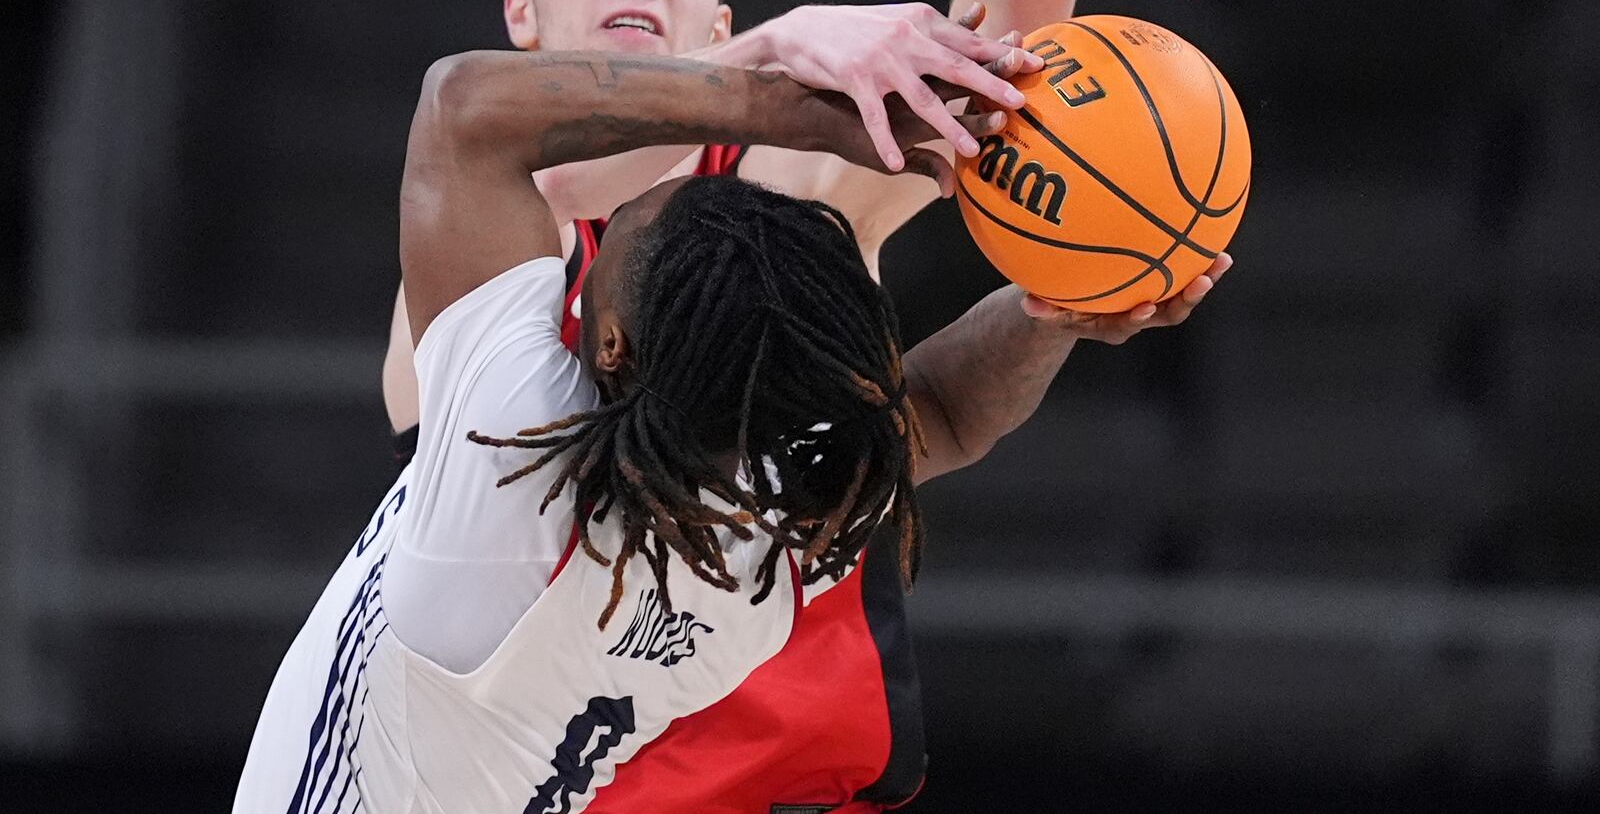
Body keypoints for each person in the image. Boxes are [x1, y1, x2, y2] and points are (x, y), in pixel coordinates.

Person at [368, 0, 1217, 806]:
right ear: (522, 14)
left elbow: (981, 106)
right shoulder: (482, 253)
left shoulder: (787, 204)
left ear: (716, 18)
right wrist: (766, 64)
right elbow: (536, 166)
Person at [235, 40, 1228, 813]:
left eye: (626, 221)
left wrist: (788, 107)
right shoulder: (769, 539)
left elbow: (462, 106)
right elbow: (943, 412)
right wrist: (1045, 308)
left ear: (614, 342)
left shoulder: (512, 450)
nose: (620, 202)